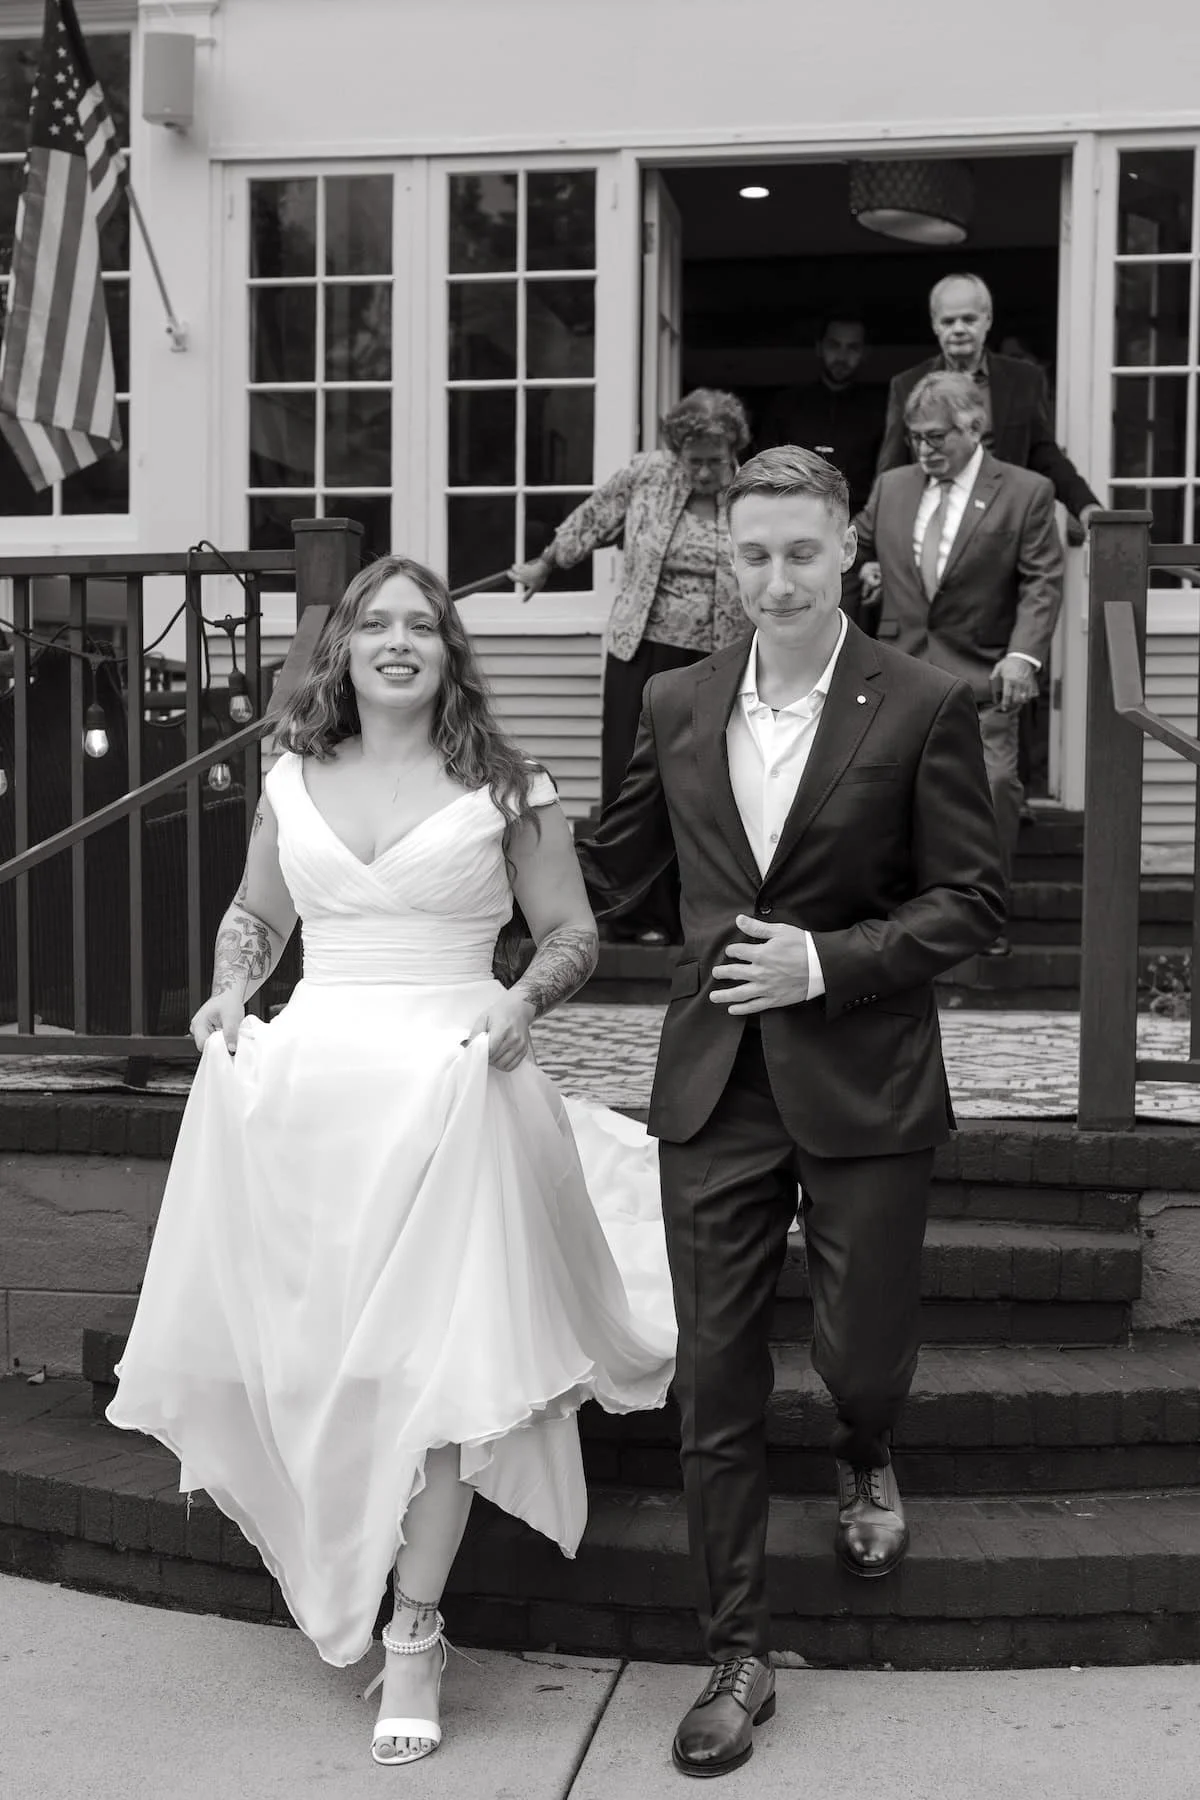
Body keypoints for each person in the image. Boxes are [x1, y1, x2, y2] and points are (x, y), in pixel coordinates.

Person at [105, 555, 676, 1767]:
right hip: (314, 1093)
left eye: (424, 624)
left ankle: (415, 1629)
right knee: (325, 1357)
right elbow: (259, 916)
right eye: (377, 623)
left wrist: (522, 1003)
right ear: (344, 647)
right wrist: (225, 997)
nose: (400, 641)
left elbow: (571, 933)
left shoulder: (510, 788)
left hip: (451, 1084)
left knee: (434, 1371)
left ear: (450, 653)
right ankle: (341, 1554)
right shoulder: (291, 775)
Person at [576, 446, 1005, 1779]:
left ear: (848, 560)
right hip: (713, 1087)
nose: (773, 578)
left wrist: (828, 961)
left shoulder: (924, 703)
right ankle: (736, 1653)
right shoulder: (674, 701)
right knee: (715, 1379)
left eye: (799, 554)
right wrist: (498, 823)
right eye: (749, 556)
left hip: (863, 1076)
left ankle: (867, 1447)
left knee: (859, 1353)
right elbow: (626, 869)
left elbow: (973, 900)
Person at [509, 387, 751, 946]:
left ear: (733, 448)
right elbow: (590, 520)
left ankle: (691, 915)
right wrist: (545, 565)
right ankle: (631, 911)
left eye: (717, 461)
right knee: (632, 782)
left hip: (717, 658)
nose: (707, 473)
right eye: (696, 462)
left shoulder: (749, 489)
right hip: (640, 653)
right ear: (677, 451)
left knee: (704, 784)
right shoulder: (647, 475)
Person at [853, 371, 1064, 957]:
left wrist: (1024, 656)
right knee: (877, 789)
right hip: (896, 672)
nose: (924, 449)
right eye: (917, 437)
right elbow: (854, 547)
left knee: (994, 784)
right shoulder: (892, 486)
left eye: (937, 437)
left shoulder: (1026, 491)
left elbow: (1042, 580)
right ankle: (890, 910)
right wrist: (865, 567)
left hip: (985, 674)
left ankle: (983, 916)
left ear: (975, 428)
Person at [875, 273, 1100, 534]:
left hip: (1008, 526)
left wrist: (1084, 505)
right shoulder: (908, 384)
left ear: (988, 320)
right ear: (935, 325)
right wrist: (878, 546)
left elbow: (1044, 454)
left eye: (969, 319)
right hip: (935, 529)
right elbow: (892, 468)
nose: (958, 329)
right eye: (948, 321)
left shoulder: (1024, 380)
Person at [755, 315, 885, 514]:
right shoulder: (785, 405)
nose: (842, 356)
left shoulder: (880, 411)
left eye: (852, 348)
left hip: (857, 522)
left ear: (865, 353)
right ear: (819, 347)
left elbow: (885, 477)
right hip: (792, 516)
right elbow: (764, 469)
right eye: (834, 345)